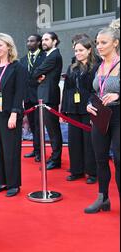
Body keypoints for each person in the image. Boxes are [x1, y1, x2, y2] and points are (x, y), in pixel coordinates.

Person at [0, 33, 27, 197]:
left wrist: (15, 113)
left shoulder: (18, 68)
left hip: (10, 113)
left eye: (0, 45)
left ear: (9, 47)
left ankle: (13, 184)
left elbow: (19, 92)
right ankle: (1, 181)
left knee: (11, 149)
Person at [85, 22, 120, 213]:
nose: (98, 46)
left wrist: (118, 95)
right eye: (97, 43)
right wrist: (90, 104)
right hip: (100, 116)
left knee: (119, 159)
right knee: (99, 158)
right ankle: (103, 198)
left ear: (115, 43)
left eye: (103, 42)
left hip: (118, 116)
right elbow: (94, 91)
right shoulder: (98, 67)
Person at [61, 37, 98, 184]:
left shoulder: (96, 67)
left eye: (81, 50)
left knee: (89, 142)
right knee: (74, 141)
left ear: (89, 50)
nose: (78, 53)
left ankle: (92, 172)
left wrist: (93, 106)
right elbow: (67, 89)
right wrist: (64, 109)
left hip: (88, 109)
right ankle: (77, 170)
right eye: (76, 50)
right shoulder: (72, 67)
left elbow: (96, 90)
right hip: (73, 109)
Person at [32, 32, 63, 170]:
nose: (43, 42)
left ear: (55, 41)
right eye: (43, 39)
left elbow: (35, 71)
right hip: (45, 95)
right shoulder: (49, 55)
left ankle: (56, 159)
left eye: (46, 39)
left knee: (53, 130)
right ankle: (54, 157)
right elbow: (37, 73)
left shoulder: (54, 56)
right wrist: (38, 75)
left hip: (49, 96)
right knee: (50, 130)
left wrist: (38, 74)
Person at [20, 34, 46, 162]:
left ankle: (40, 151)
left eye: (32, 41)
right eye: (28, 41)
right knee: (32, 125)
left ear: (38, 42)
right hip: (27, 97)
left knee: (38, 125)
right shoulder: (23, 60)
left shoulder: (45, 57)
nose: (29, 43)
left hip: (39, 96)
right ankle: (36, 150)